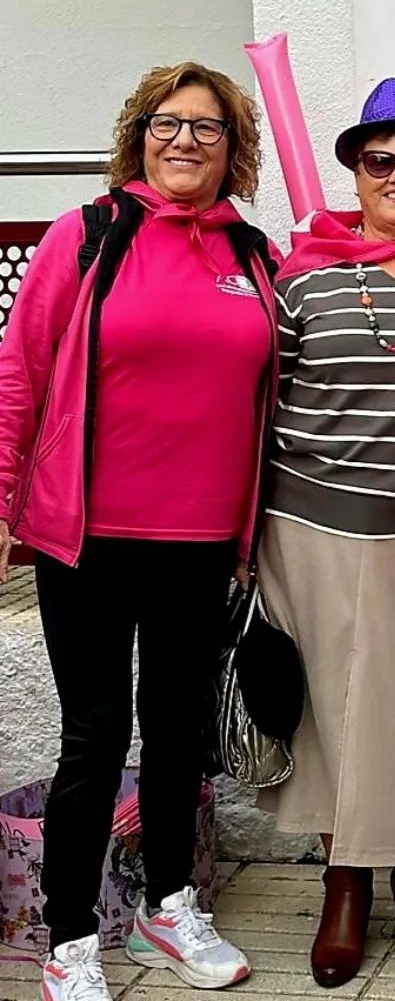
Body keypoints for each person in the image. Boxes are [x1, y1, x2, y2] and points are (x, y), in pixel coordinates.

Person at [0, 63, 277, 1001]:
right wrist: (2, 506)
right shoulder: (86, 236)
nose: (187, 141)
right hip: (89, 536)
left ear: (235, 151)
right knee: (93, 736)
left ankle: (170, 905)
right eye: (170, 124)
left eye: (209, 128)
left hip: (201, 540)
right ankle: (69, 939)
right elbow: (18, 377)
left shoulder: (252, 255)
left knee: (176, 728)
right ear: (139, 135)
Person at [257, 78, 395, 988]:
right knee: (327, 718)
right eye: (380, 160)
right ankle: (344, 881)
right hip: (305, 519)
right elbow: (255, 394)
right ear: (354, 169)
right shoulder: (301, 274)